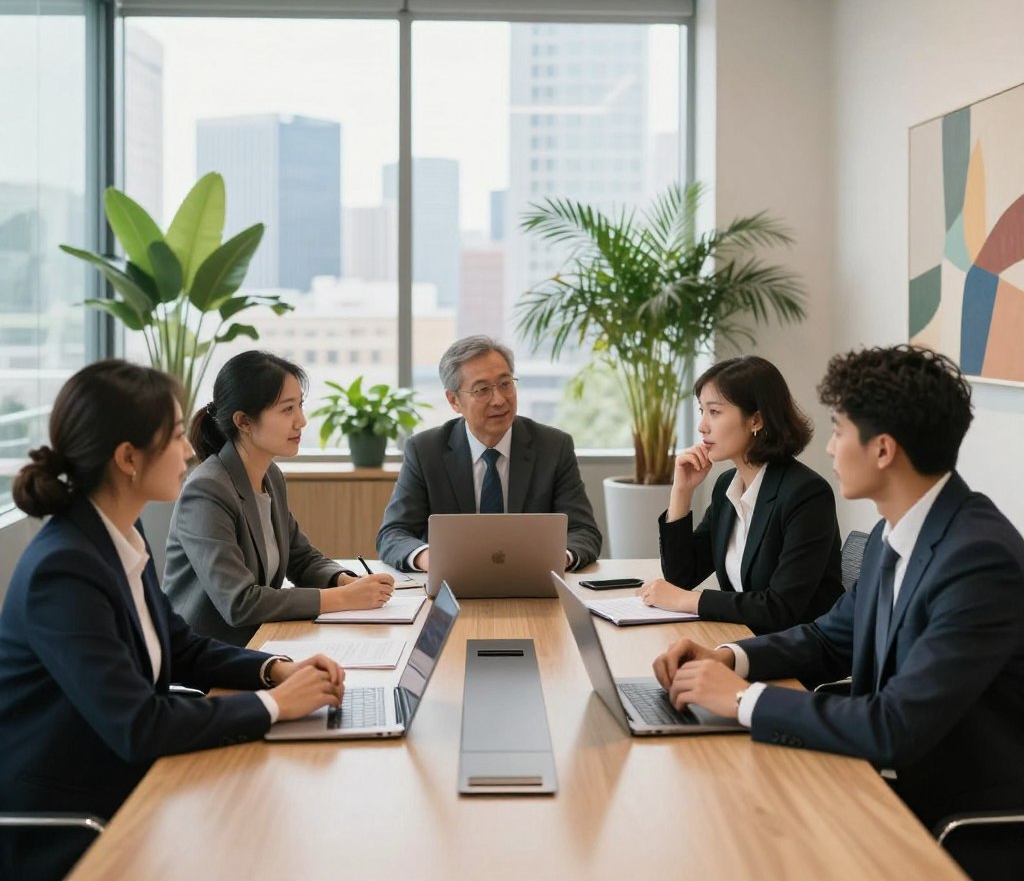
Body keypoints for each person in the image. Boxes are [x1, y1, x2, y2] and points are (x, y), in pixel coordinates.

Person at [652, 345, 1024, 875]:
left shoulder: (977, 559)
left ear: (883, 450)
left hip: (956, 822)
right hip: (885, 783)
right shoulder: (889, 535)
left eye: (839, 431)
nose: (828, 449)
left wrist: (742, 700)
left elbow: (895, 725)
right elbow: (829, 639)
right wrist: (728, 657)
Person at [0, 360, 344, 881]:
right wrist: (273, 706)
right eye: (178, 436)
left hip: (133, 780)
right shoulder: (64, 569)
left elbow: (182, 647)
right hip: (78, 823)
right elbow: (139, 725)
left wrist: (275, 669)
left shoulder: (117, 535)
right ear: (128, 458)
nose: (189, 451)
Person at [164, 351, 394, 646]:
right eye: (287, 410)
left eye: (299, 406)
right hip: (209, 659)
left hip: (260, 642)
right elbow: (240, 602)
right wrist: (342, 598)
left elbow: (301, 558)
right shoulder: (207, 490)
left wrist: (344, 581)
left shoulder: (269, 475)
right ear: (244, 422)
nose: (301, 421)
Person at [639, 356, 843, 634]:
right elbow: (682, 576)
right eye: (702, 410)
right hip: (743, 640)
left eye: (715, 412)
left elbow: (780, 608)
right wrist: (681, 491)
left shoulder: (806, 494)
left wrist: (688, 601)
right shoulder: (726, 487)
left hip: (795, 658)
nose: (702, 426)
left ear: (756, 419)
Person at [376, 335, 602, 572]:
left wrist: (559, 558)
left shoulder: (553, 447)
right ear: (454, 400)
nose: (499, 400)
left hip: (534, 585)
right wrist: (428, 558)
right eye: (482, 390)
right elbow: (393, 533)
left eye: (505, 384)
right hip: (452, 586)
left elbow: (584, 531)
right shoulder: (425, 451)